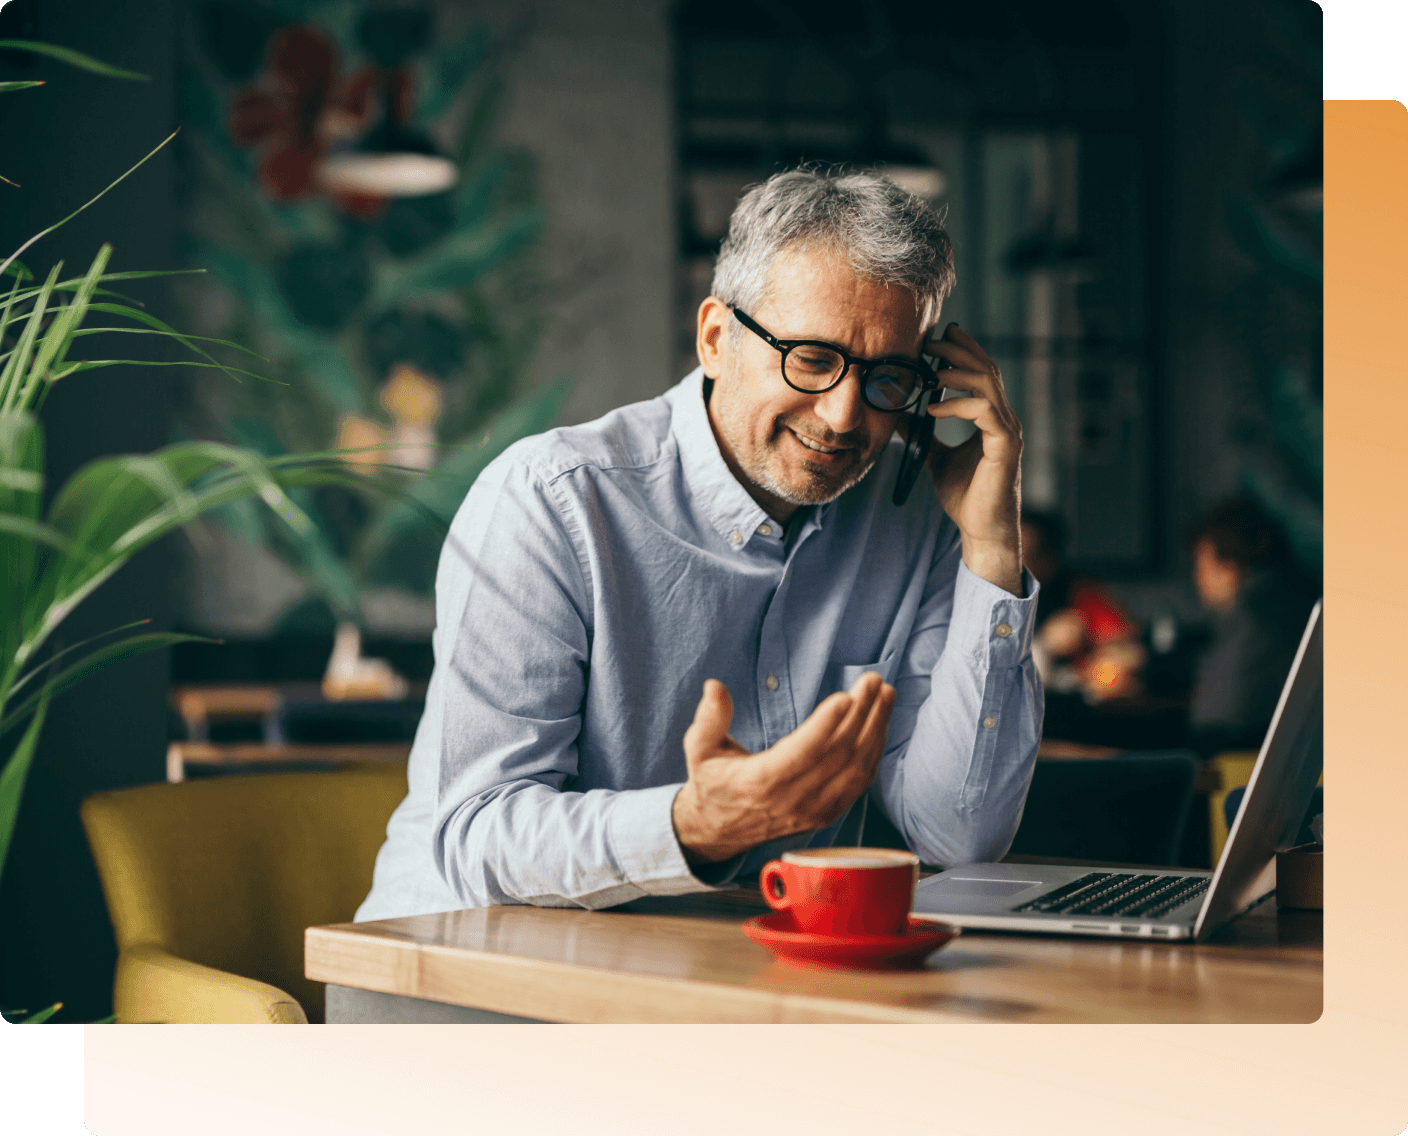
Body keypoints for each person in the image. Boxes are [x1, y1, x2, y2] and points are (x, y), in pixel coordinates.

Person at [356, 169, 1042, 919]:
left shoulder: (919, 518)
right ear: (716, 339)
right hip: (458, 955)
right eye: (812, 360)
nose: (845, 415)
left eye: (889, 379)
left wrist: (992, 550)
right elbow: (480, 838)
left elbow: (958, 835)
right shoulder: (552, 500)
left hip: (721, 965)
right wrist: (693, 826)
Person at [1186, 494, 1319, 758]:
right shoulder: (1304, 598)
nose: (1197, 578)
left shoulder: (1251, 616)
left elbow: (1212, 716)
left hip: (1235, 755)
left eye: (1201, 565)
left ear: (1230, 566)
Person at [1020, 510, 1143, 703]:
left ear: (1051, 558)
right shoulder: (983, 600)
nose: (1018, 565)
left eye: (1028, 555)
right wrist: (1044, 646)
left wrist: (1104, 668)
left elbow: (1130, 651)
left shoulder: (1078, 593)